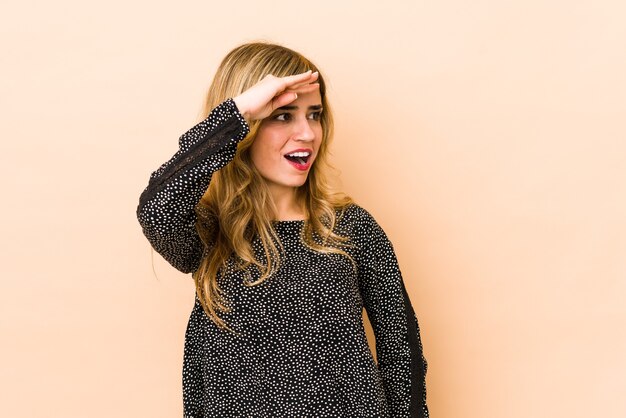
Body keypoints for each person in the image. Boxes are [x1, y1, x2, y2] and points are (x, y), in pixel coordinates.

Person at [136, 42, 429, 418]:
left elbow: (401, 350)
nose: (307, 134)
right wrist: (238, 113)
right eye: (282, 115)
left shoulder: (352, 227)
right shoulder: (209, 232)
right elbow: (156, 209)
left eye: (315, 114)